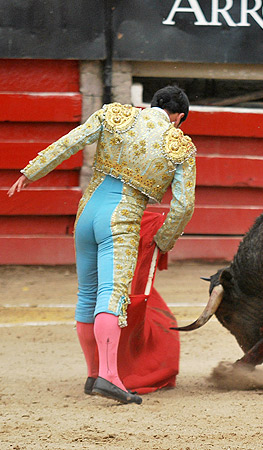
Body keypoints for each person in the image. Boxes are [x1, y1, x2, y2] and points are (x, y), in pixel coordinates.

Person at [7, 86, 197, 404]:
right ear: (178, 117)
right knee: (112, 296)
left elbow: (71, 142)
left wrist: (31, 171)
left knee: (86, 297)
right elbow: (183, 206)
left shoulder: (114, 114)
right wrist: (164, 240)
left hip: (86, 214)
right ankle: (109, 376)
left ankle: (94, 373)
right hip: (119, 220)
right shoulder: (180, 146)